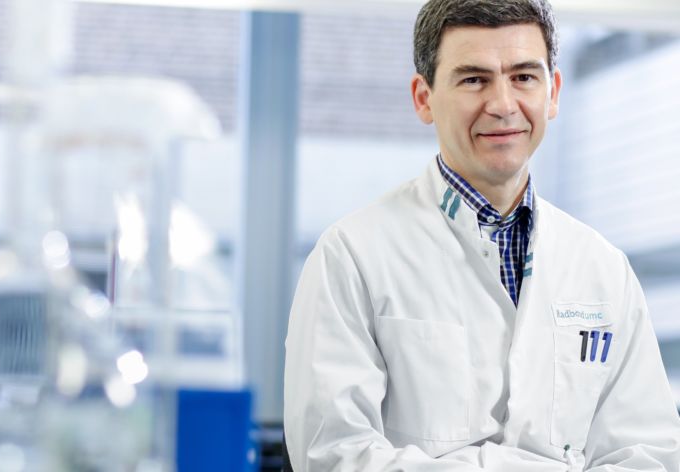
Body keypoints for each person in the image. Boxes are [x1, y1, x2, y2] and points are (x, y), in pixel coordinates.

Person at [283, 0, 680, 470]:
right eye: (474, 79)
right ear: (423, 98)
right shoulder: (351, 256)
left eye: (523, 77)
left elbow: (650, 454)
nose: (503, 105)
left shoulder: (603, 269)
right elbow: (333, 455)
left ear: (553, 92)